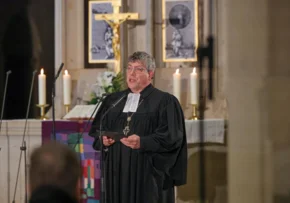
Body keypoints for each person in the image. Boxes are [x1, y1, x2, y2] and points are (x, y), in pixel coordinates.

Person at [89, 51, 187, 203]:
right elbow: (97, 133)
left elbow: (172, 137)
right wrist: (103, 140)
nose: (132, 73)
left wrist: (143, 142)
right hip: (117, 173)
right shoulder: (113, 101)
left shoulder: (165, 101)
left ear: (150, 73)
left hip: (148, 174)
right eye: (129, 68)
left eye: (139, 69)